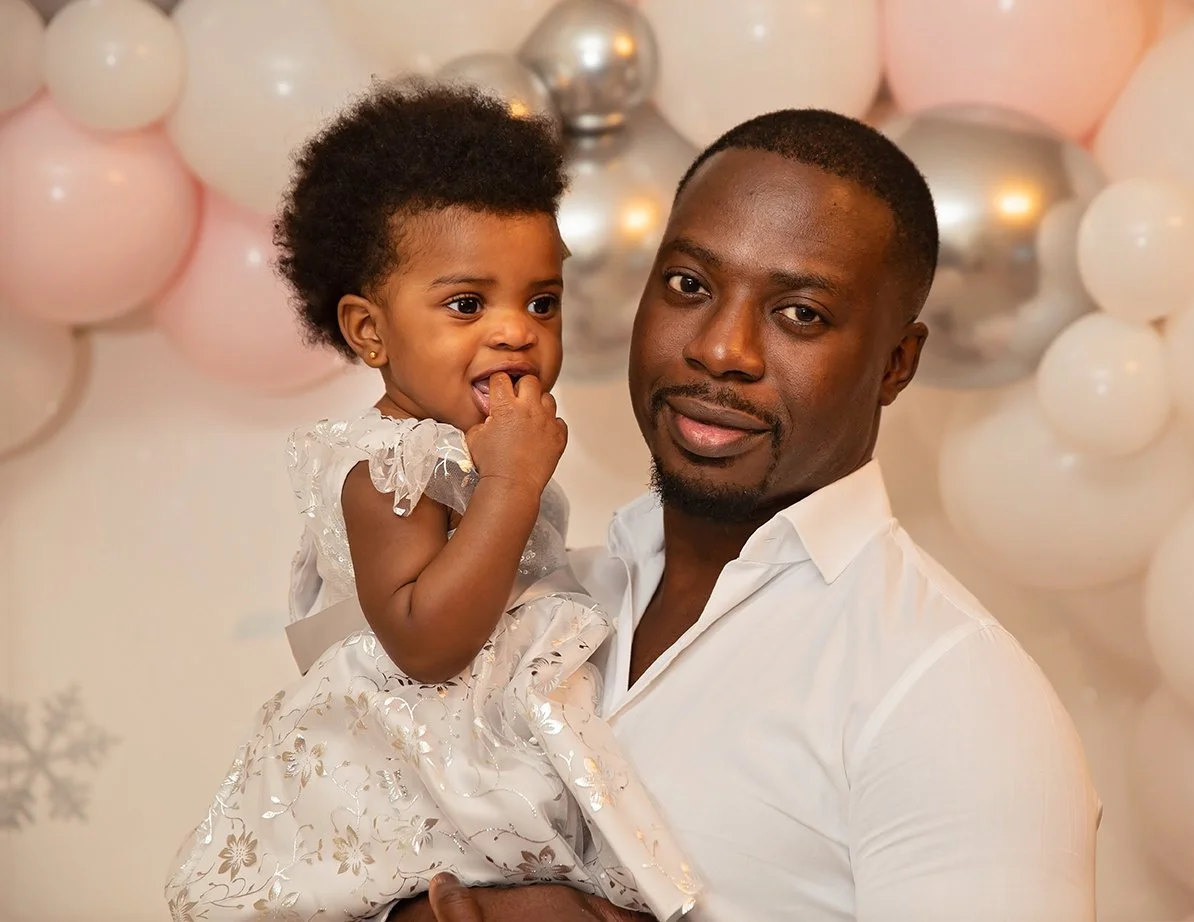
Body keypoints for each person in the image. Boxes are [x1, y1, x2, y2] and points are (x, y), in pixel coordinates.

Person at [382, 109, 1100, 921]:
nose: (723, 349)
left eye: (801, 313)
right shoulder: (531, 596)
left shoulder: (951, 693)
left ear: (897, 364)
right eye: (690, 286)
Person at [163, 81, 696, 922]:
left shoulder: (462, 451)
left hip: (481, 753)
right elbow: (427, 642)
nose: (517, 329)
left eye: (541, 301)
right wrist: (513, 485)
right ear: (370, 331)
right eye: (466, 304)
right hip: (419, 779)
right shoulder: (390, 466)